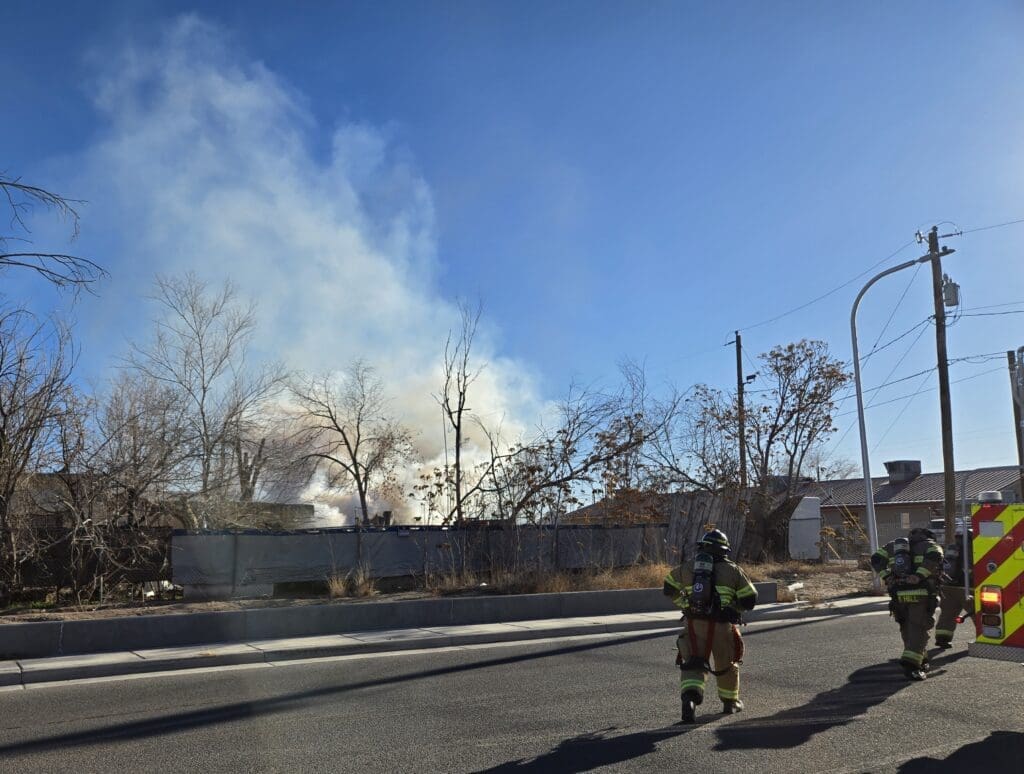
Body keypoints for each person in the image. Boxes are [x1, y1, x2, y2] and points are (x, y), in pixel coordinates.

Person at [663, 529, 758, 723]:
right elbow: (750, 599)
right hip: (722, 627)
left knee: (693, 663)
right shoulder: (733, 570)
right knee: (726, 664)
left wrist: (685, 605)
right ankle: (730, 703)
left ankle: (690, 699)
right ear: (724, 550)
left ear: (703, 547)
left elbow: (668, 588)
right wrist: (734, 609)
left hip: (693, 624)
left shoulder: (687, 568)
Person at [870, 526, 943, 680]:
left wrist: (887, 576)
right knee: (920, 628)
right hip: (921, 595)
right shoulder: (930, 545)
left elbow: (875, 559)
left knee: (907, 628)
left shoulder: (893, 546)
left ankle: (921, 659)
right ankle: (911, 665)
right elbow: (936, 556)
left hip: (899, 595)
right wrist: (919, 575)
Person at [935, 528, 972, 648]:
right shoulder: (973, 547)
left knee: (947, 614)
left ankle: (942, 638)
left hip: (947, 587)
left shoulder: (951, 547)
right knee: (978, 614)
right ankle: (985, 639)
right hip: (967, 587)